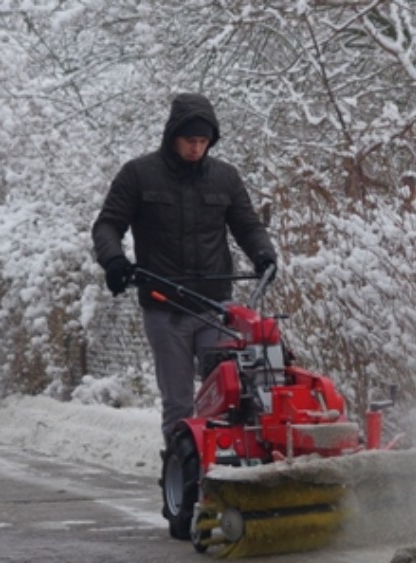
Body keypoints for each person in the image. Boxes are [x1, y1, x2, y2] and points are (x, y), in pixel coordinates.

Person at [92, 92, 277, 443]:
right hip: (165, 306)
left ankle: (222, 477)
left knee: (226, 399)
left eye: (203, 142)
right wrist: (114, 260)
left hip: (215, 306)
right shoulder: (138, 175)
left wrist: (264, 255)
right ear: (172, 136)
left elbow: (248, 226)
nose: (196, 148)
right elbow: (107, 225)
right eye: (190, 140)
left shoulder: (225, 178)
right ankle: (180, 480)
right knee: (178, 403)